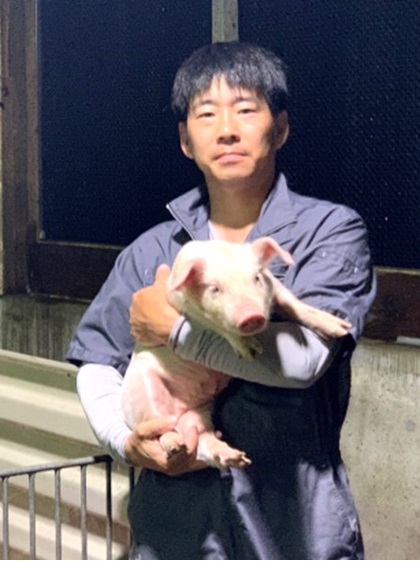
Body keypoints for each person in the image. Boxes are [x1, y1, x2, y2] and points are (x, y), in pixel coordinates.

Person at [67, 41, 376, 560]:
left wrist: (175, 330)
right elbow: (98, 361)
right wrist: (125, 441)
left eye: (246, 109)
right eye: (206, 114)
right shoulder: (153, 250)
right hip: (174, 528)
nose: (227, 129)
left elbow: (305, 363)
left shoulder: (328, 232)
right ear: (186, 140)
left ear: (280, 129)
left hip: (292, 527)